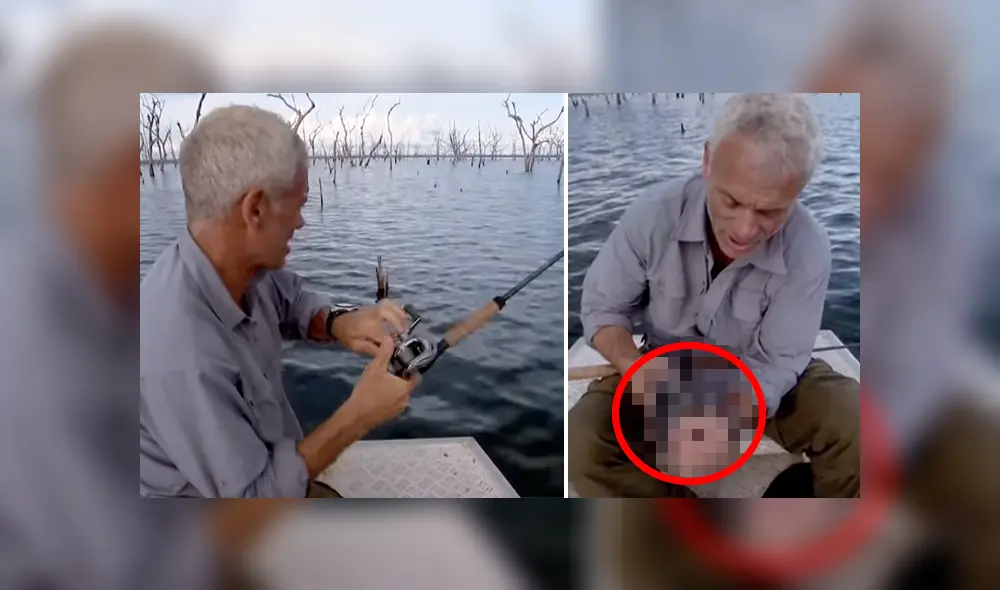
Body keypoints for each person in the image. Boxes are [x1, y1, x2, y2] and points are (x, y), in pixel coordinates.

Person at [569, 93, 861, 498]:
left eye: (770, 212)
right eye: (732, 200)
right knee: (584, 440)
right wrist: (632, 366)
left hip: (754, 380)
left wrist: (726, 411)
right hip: (659, 368)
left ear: (800, 191)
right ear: (707, 162)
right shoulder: (652, 214)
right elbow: (603, 309)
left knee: (858, 422)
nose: (744, 229)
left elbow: (778, 362)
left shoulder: (809, 248)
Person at [140, 104, 421, 499]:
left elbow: (290, 297)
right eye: (299, 204)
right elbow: (255, 498)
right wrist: (359, 415)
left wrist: (341, 323)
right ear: (254, 209)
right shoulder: (180, 348)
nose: (301, 222)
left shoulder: (237, 267)